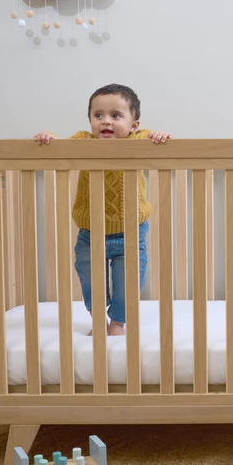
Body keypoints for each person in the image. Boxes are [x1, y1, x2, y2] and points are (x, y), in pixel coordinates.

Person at [34, 83, 172, 336]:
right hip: (90, 232)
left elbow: (154, 140)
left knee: (128, 283)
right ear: (90, 121)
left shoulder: (138, 141)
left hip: (131, 232)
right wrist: (49, 139)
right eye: (98, 115)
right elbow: (60, 146)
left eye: (115, 115)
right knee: (89, 279)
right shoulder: (83, 142)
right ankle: (97, 320)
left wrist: (158, 137)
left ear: (133, 125)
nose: (105, 121)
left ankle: (116, 324)